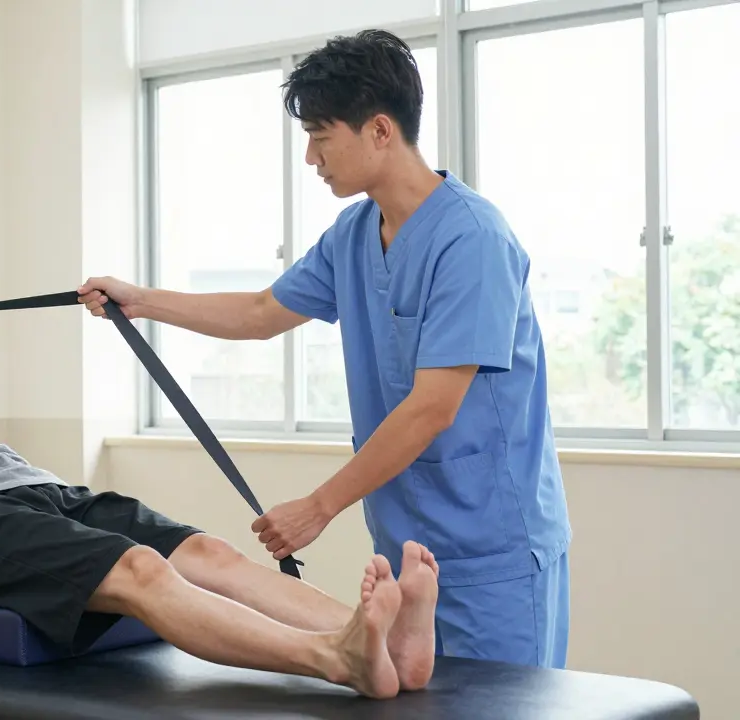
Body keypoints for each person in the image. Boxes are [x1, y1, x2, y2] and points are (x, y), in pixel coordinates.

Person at [0, 214, 443, 699]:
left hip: (32, 489)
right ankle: (335, 657)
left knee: (209, 555)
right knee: (141, 569)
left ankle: (376, 639)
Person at [78, 29, 572, 670]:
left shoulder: (472, 240)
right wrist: (139, 301)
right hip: (408, 546)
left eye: (321, 136)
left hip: (495, 552)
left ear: (380, 131)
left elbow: (431, 408)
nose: (311, 157)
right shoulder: (354, 234)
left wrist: (319, 506)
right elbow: (261, 313)